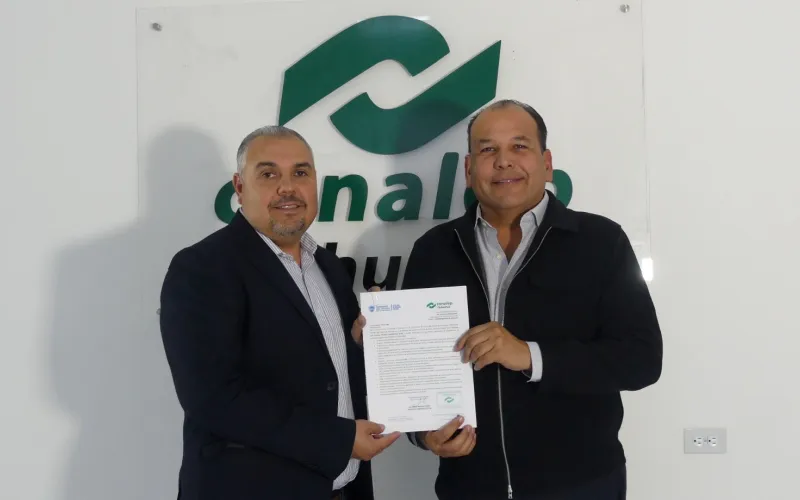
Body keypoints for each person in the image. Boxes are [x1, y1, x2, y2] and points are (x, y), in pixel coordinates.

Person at [401, 100, 663, 500]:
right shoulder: (433, 249)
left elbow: (641, 360)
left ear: (547, 163)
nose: (504, 162)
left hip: (581, 485)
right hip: (469, 486)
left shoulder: (600, 242)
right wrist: (422, 434)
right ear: (469, 169)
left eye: (519, 147)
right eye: (488, 150)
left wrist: (529, 355)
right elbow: (413, 369)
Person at [158, 125, 400, 500]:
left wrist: (359, 343)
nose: (288, 188)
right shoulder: (203, 267)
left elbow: (329, 376)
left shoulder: (328, 267)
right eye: (269, 174)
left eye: (300, 173)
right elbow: (213, 398)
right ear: (240, 187)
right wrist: (337, 440)